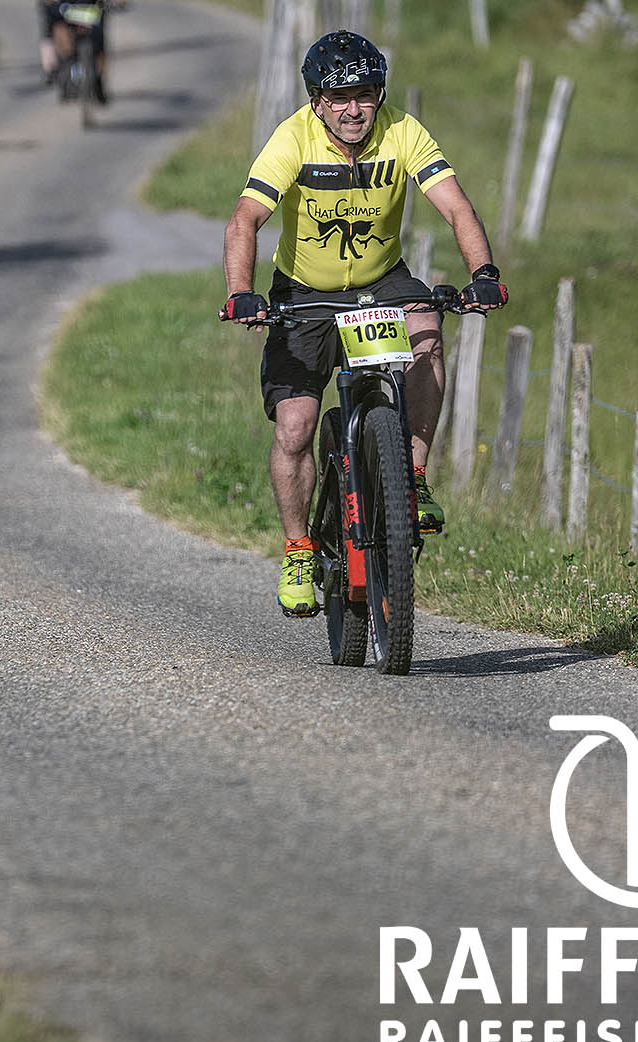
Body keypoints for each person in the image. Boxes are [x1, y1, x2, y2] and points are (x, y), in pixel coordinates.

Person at [217, 31, 506, 618]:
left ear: (380, 96)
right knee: (295, 426)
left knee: (427, 331)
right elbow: (245, 219)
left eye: (366, 95)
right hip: (304, 292)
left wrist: (484, 274)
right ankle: (298, 550)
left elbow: (456, 206)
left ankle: (412, 477)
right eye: (340, 98)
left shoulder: (403, 132)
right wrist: (241, 293)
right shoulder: (293, 138)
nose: (354, 110)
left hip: (381, 280)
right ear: (318, 102)